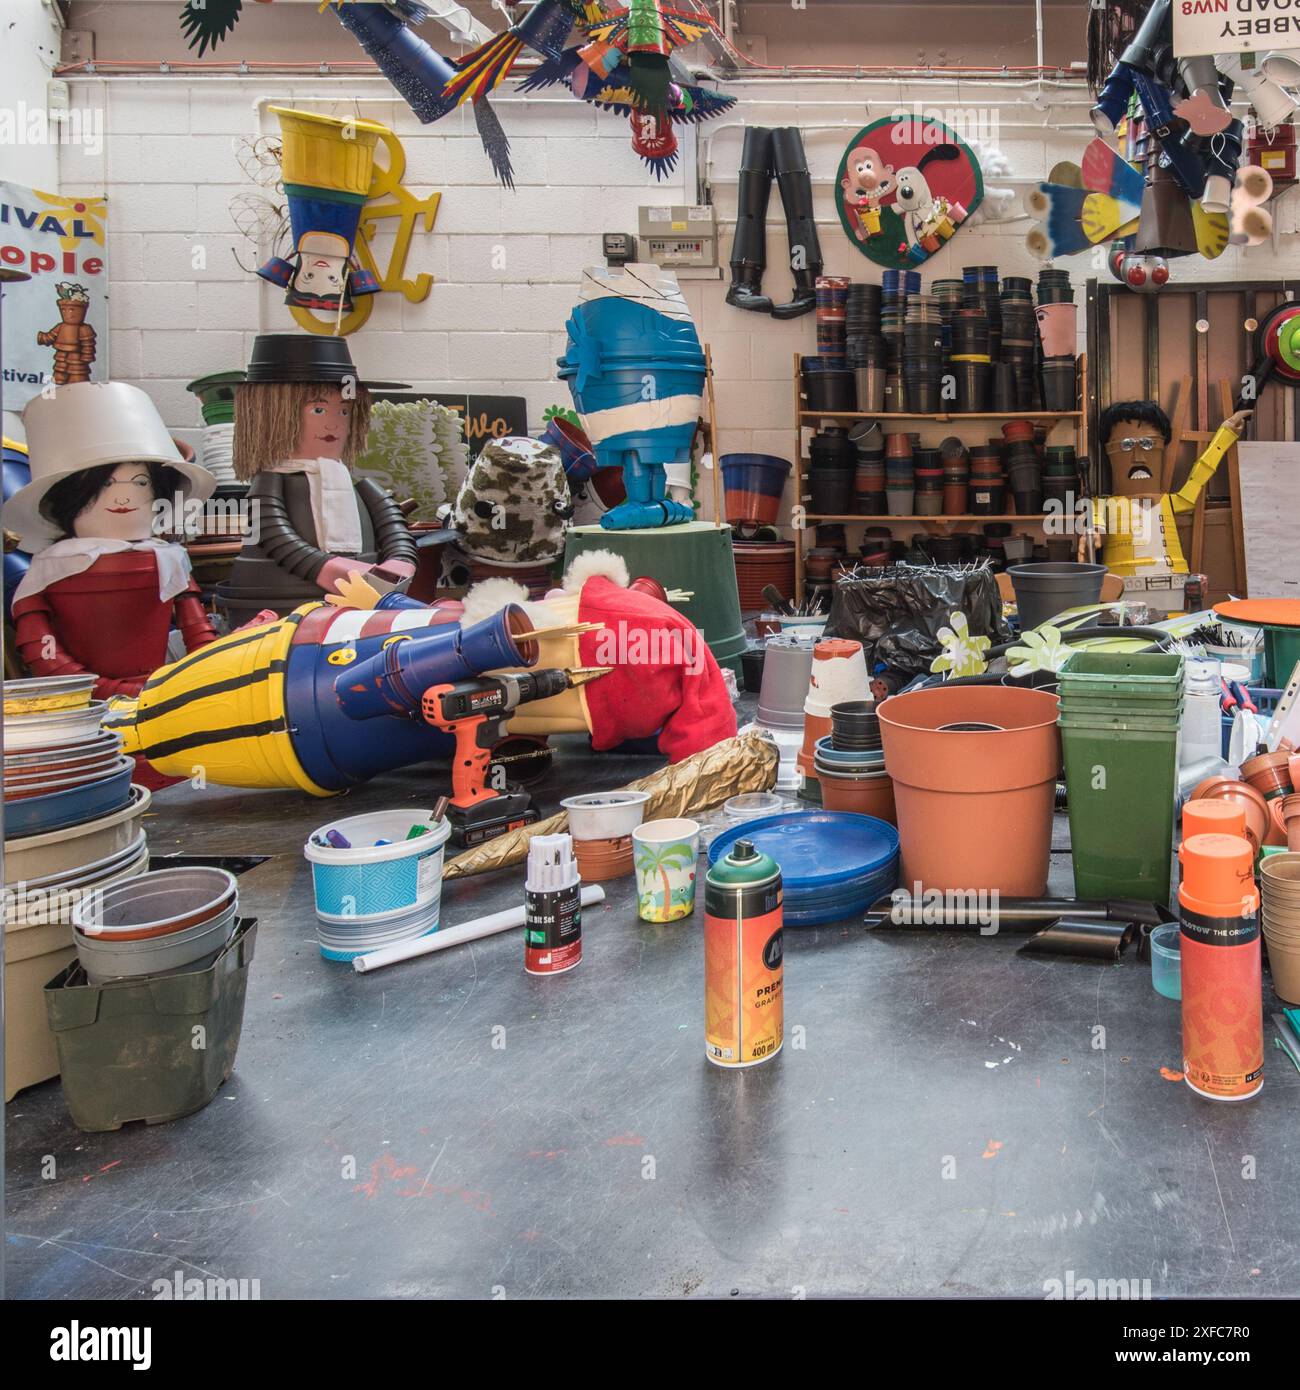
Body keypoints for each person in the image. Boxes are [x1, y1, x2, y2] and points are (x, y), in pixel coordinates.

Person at [8, 382, 217, 702]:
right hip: (83, 709)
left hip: (157, 701)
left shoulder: (167, 559)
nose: (123, 495)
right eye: (105, 483)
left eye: (141, 482)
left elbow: (198, 634)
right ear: (67, 496)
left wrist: (202, 678)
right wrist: (109, 691)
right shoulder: (47, 570)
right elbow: (43, 652)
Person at [218, 333, 418, 622]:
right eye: (318, 409)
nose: (333, 422)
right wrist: (330, 569)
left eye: (345, 411)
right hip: (282, 614)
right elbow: (277, 537)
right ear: (271, 413)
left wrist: (400, 562)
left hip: (362, 611)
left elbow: (392, 525)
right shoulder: (272, 483)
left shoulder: (352, 485)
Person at [1089, 398, 1252, 610]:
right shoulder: (1103, 505)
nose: (1139, 457)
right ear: (1108, 451)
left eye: (1148, 444)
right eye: (1126, 445)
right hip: (1122, 589)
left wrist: (1226, 433)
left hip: (1172, 587)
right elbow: (1093, 528)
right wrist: (1092, 534)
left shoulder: (1170, 502)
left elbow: (1200, 475)